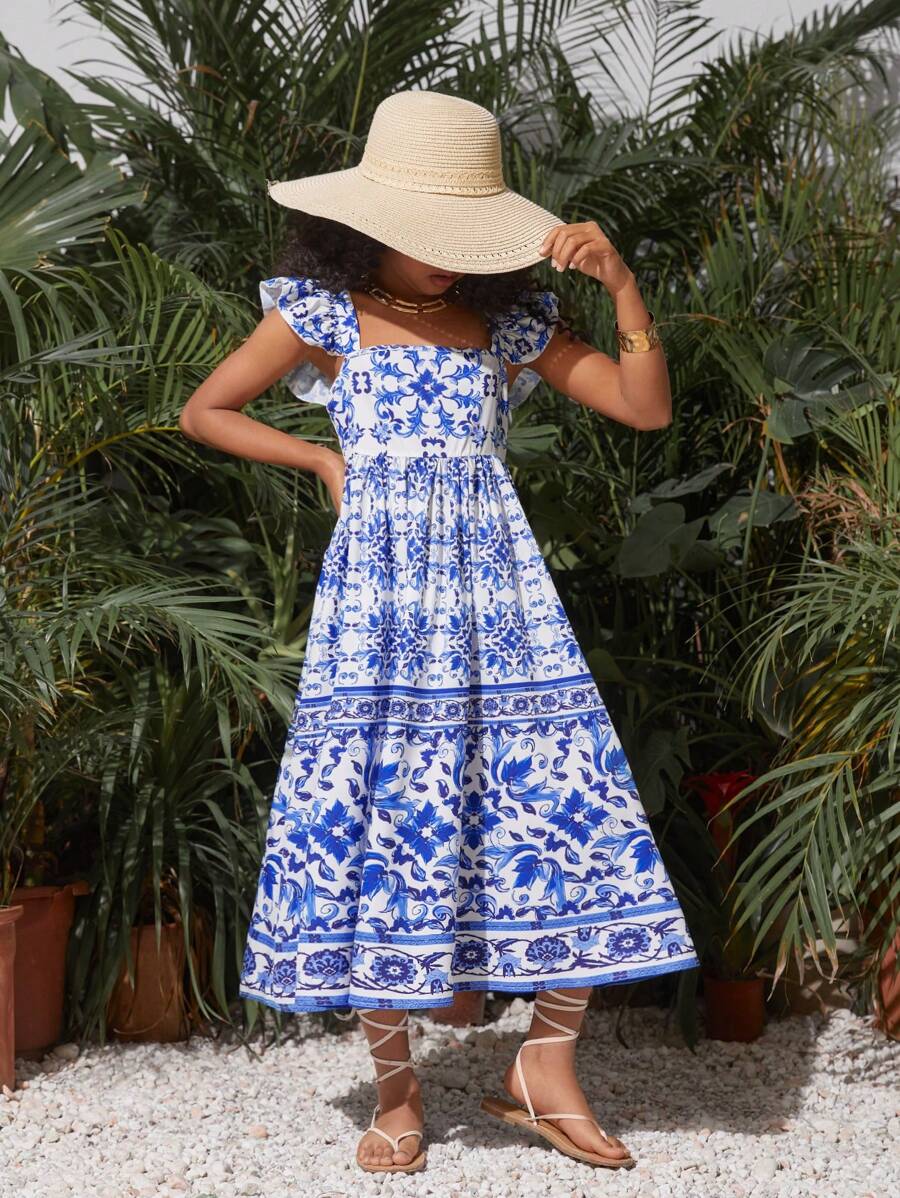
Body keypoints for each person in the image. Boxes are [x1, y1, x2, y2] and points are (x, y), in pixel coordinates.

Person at [179, 89, 699, 1177]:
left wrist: (623, 286)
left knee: (563, 793)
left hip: (499, 599)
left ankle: (544, 1064)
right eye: (426, 234)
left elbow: (643, 406)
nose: (445, 258)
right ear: (369, 223)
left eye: (463, 237)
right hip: (378, 608)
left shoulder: (509, 324)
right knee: (382, 809)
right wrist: (318, 458)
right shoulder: (321, 313)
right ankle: (397, 1090)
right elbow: (207, 409)